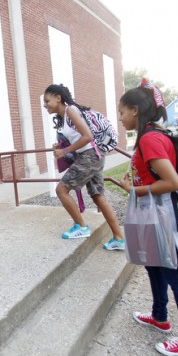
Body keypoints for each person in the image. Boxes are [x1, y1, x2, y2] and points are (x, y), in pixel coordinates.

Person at [118, 79, 178, 356]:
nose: (120, 118)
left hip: (163, 214)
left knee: (175, 275)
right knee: (153, 265)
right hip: (151, 212)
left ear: (135, 110)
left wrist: (133, 189)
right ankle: (160, 317)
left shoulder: (150, 138)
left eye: (122, 112)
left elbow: (173, 182)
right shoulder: (151, 135)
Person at [43, 84, 125, 249]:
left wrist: (64, 151)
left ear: (58, 98)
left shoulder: (70, 111)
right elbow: (78, 137)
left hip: (90, 156)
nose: (45, 105)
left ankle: (81, 227)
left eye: (47, 101)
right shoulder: (65, 116)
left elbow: (87, 136)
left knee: (61, 190)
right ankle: (119, 238)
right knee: (97, 195)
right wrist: (60, 145)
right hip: (93, 156)